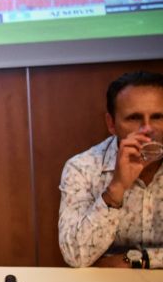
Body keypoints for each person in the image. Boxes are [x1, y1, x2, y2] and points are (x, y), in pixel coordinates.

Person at [59, 71, 163, 269]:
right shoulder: (82, 167)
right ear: (111, 124)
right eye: (134, 118)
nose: (148, 128)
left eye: (158, 117)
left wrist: (138, 260)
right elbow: (75, 255)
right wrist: (116, 188)